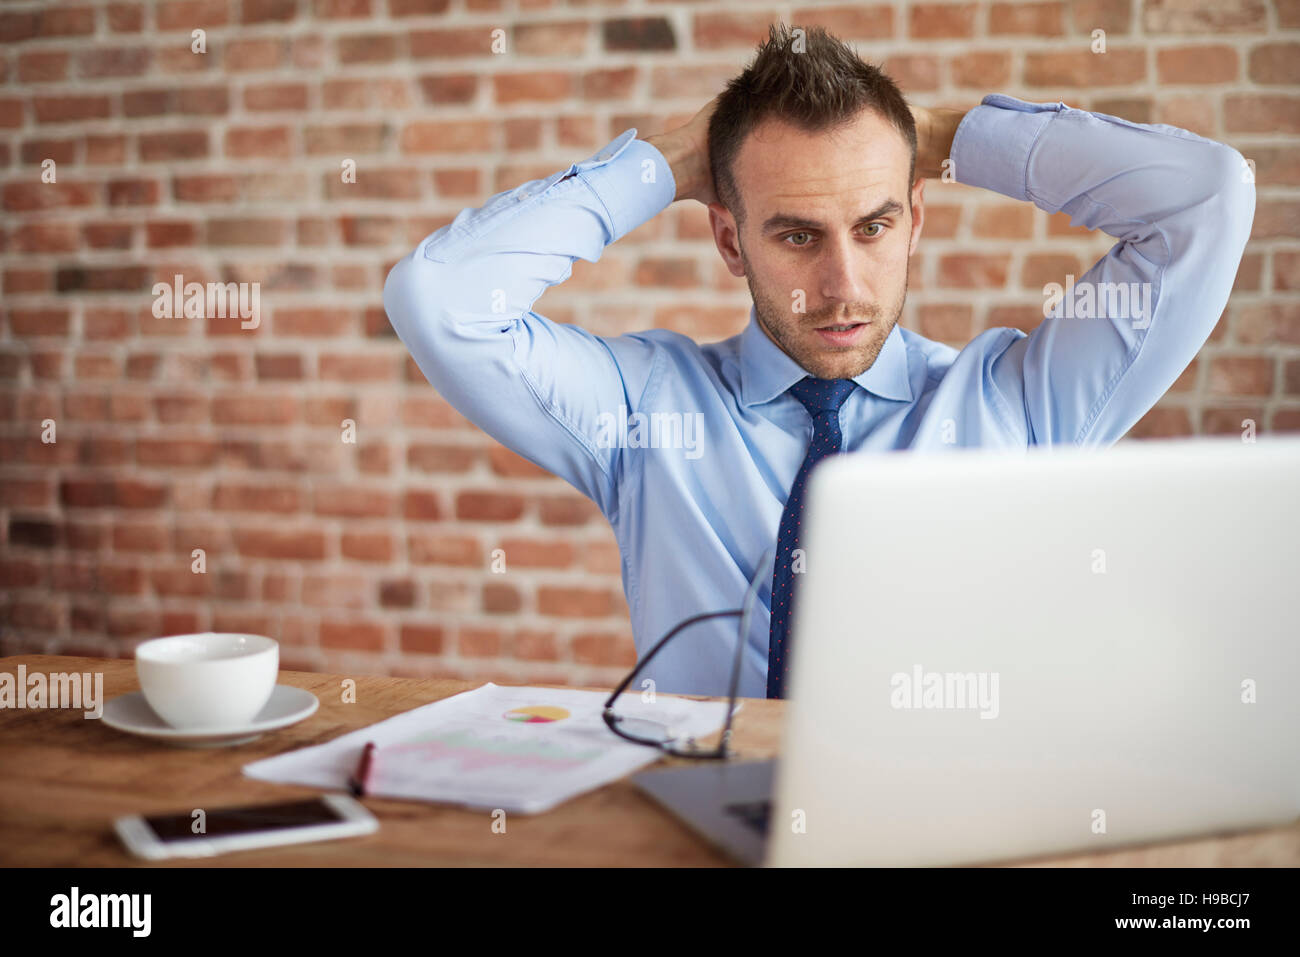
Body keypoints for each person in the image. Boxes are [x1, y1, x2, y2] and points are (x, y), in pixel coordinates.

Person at [383, 23, 1255, 699]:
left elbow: (1208, 199)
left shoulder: (1020, 407)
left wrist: (948, 135)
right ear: (729, 239)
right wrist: (669, 162)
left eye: (873, 226)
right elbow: (441, 300)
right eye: (798, 235)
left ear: (916, 217)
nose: (842, 287)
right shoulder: (644, 408)